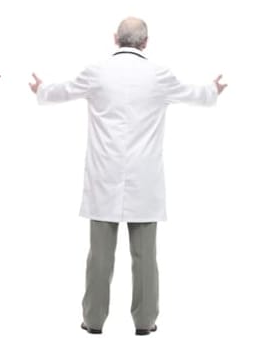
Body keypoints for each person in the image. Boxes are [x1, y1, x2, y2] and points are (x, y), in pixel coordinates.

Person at [29, 17, 227, 337]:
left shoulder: (97, 71)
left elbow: (61, 92)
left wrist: (41, 90)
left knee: (99, 255)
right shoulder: (159, 74)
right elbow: (194, 94)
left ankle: (93, 321)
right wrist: (213, 90)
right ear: (146, 42)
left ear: (115, 38)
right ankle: (145, 322)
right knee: (145, 255)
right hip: (144, 179)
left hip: (103, 177)